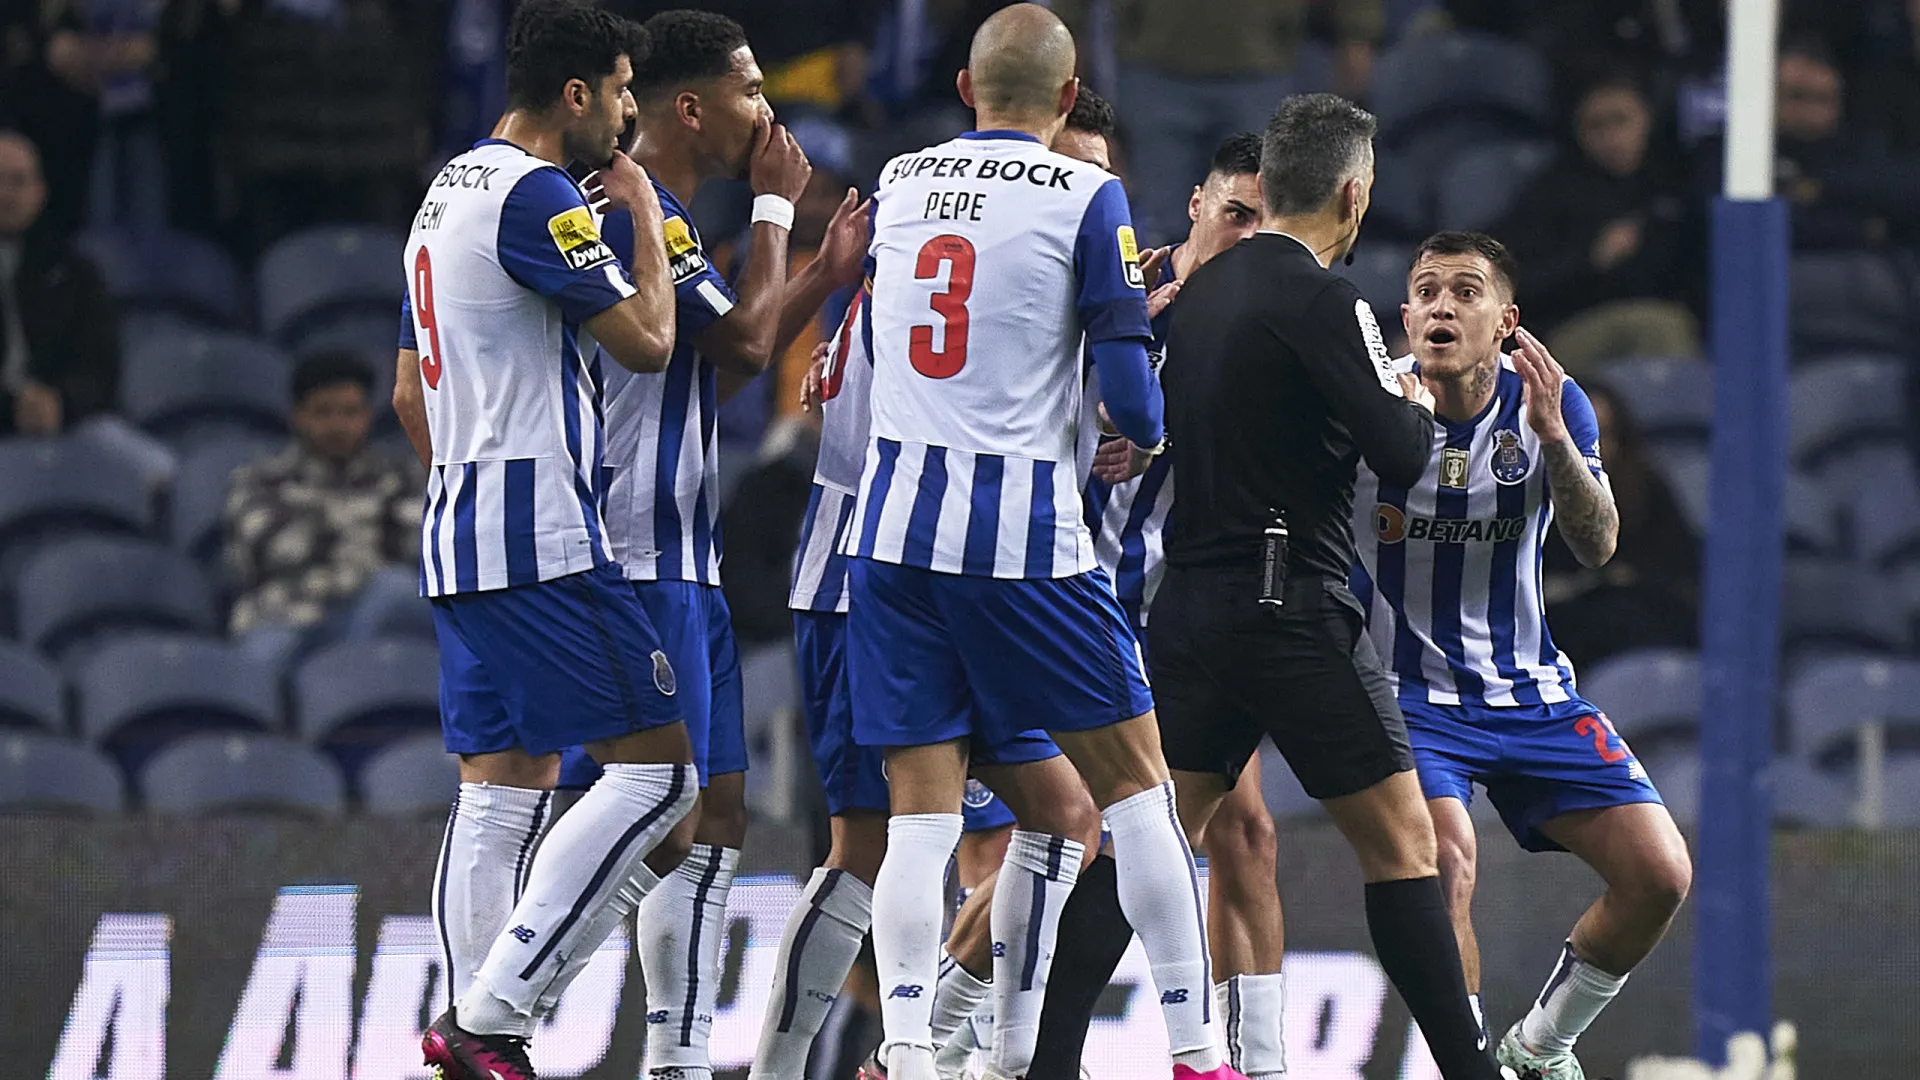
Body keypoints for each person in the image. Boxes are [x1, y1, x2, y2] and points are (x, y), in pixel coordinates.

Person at [849, 8, 1236, 1080]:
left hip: (890, 537)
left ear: (968, 90)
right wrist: (1139, 423)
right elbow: (1131, 402)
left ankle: (913, 1050)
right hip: (1022, 541)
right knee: (1139, 795)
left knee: (920, 822)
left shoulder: (901, 179)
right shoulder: (1087, 193)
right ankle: (1199, 1049)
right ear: (1070, 102)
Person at [1148, 93, 1500, 1080]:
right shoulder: (1323, 297)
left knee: (1146, 842)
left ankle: (1038, 1059)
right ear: (1353, 194)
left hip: (1190, 602)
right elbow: (1397, 454)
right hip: (1286, 602)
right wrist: (1415, 398)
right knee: (1405, 845)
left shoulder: (1208, 287)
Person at [550, 12, 869, 1080]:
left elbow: (720, 368)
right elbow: (739, 341)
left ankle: (675, 1058)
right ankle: (510, 989)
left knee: (717, 807)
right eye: (751, 91)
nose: (768, 113)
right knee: (659, 804)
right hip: (633, 553)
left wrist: (821, 275)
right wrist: (777, 210)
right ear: (693, 107)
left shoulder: (669, 215)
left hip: (690, 554)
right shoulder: (641, 210)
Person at [390, 5, 698, 1079]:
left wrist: (472, 475)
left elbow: (405, 390)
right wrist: (648, 221)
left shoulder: (446, 189)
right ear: (575, 94)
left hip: (459, 532)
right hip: (540, 536)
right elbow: (651, 345)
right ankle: (493, 1016)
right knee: (660, 777)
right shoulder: (536, 196)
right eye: (618, 90)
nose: (625, 113)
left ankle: (479, 1042)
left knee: (501, 789)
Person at [1352, 230, 1693, 1080]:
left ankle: (1540, 1047)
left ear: (1506, 321)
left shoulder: (1553, 402)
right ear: (1405, 316)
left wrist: (1554, 440)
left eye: (1465, 291)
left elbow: (1599, 543)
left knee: (1659, 875)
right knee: (1447, 864)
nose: (1442, 305)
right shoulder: (1369, 406)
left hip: (1530, 690)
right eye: (1427, 290)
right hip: (1406, 698)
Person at [1021, 129, 1285, 1080]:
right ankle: (979, 1038)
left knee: (1245, 832)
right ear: (1196, 205)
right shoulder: (1119, 287)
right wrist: (1104, 419)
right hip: (1079, 597)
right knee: (1074, 835)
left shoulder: (1263, 312)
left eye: (1265, 221)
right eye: (1235, 214)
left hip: (1184, 615)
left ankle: (1258, 1064)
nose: (1248, 236)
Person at [1499, 73, 1700, 376]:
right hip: (1569, 327)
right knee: (1662, 326)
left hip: (1664, 313)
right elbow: (1518, 283)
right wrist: (1590, 260)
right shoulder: (1552, 192)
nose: (1611, 137)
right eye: (1596, 126)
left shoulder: (1671, 184)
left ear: (1646, 119)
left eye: (1620, 121)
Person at [223, 351, 418, 650]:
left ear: (367, 416)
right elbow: (269, 550)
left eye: (350, 412)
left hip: (373, 611)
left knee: (400, 590)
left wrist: (323, 529)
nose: (337, 426)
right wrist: (365, 532)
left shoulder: (397, 479)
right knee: (261, 657)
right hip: (285, 617)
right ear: (298, 416)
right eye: (323, 412)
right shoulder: (261, 481)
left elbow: (419, 546)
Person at [1541, 383, 1700, 665]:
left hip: (1634, 635)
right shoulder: (1524, 495)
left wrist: (1612, 581)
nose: (1592, 446)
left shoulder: (1648, 493)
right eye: (1577, 434)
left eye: (1603, 434)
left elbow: (1677, 576)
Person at [0, 130, 119, 439]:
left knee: (155, 469)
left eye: (17, 181)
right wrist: (12, 408)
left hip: (70, 422)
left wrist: (62, 401)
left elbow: (101, 366)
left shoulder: (76, 271)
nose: (5, 195)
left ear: (40, 192)